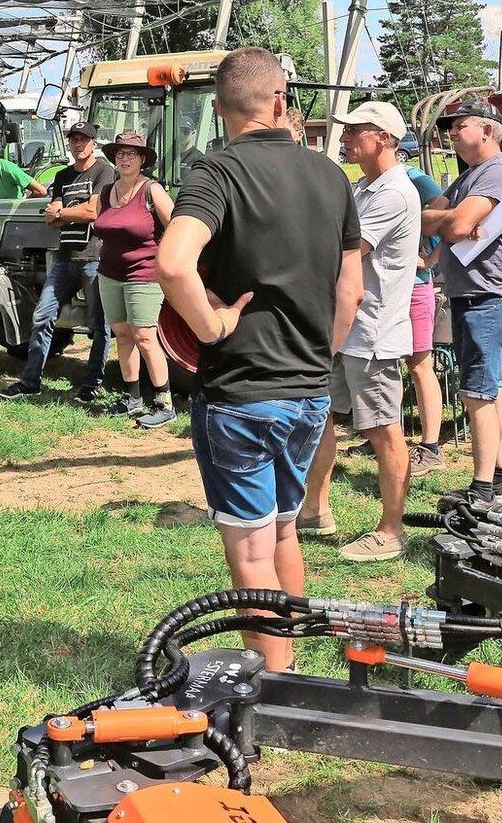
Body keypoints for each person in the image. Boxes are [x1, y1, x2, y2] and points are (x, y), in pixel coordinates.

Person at [158, 47, 363, 672]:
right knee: (282, 530)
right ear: (280, 102)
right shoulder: (331, 177)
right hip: (309, 391)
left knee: (250, 552)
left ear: (220, 111)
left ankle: (276, 684)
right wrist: (318, 354)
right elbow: (349, 288)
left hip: (240, 393)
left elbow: (171, 263)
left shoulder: (215, 173)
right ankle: (292, 661)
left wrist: (215, 323)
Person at [299, 102, 421, 562]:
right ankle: (314, 509)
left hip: (372, 332)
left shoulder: (392, 193)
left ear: (385, 138)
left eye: (356, 132)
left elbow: (345, 250)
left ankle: (391, 531)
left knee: (383, 431)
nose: (346, 138)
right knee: (321, 417)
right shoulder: (364, 186)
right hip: (343, 327)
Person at [422, 100, 502, 509]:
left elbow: (458, 225)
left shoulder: (498, 172)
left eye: (458, 124)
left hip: (488, 296)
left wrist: (451, 223)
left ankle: (481, 491)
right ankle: (499, 481)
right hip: (475, 294)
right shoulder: (473, 176)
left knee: (477, 395)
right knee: (490, 389)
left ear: (487, 130)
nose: (450, 131)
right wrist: (445, 223)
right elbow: (430, 214)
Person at [0, 122, 114, 403]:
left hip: (93, 257)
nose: (78, 144)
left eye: (83, 139)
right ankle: (30, 380)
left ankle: (92, 384)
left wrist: (64, 213)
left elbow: (92, 211)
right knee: (42, 316)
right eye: (73, 139)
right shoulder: (62, 175)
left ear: (93, 143)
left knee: (100, 324)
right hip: (64, 257)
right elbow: (49, 217)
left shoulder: (104, 171)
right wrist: (64, 213)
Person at [94, 131, 176, 426]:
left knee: (144, 336)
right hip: (109, 274)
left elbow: (176, 226)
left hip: (144, 275)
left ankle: (164, 402)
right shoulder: (106, 192)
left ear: (142, 160)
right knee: (123, 334)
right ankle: (132, 397)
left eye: (131, 154)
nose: (125, 158)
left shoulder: (152, 190)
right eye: (120, 154)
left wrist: (168, 262)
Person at [405, 163, 450, 476]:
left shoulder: (412, 177)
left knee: (421, 366)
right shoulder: (366, 184)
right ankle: (386, 434)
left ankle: (430, 446)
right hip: (386, 290)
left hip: (416, 287)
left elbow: (447, 213)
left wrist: (429, 260)